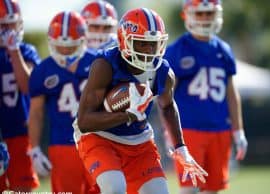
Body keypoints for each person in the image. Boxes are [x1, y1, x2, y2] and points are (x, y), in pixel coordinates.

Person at [73, 8, 208, 194]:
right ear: (124, 41)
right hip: (100, 137)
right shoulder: (105, 65)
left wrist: (180, 147)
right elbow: (85, 121)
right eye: (142, 44)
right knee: (115, 188)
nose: (150, 50)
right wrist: (126, 115)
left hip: (139, 140)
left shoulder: (164, 72)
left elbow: (167, 106)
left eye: (154, 44)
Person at [164, 1, 248, 194]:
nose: (204, 18)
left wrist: (238, 130)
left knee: (212, 189)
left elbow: (231, 94)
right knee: (189, 188)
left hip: (220, 128)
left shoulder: (224, 50)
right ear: (187, 14)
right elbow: (165, 97)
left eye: (209, 13)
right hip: (188, 130)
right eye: (200, 13)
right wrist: (169, 131)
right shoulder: (177, 50)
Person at [27, 11, 97, 194]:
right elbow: (36, 112)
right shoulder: (43, 70)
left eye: (71, 46)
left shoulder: (99, 61)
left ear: (82, 41)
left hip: (98, 141)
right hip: (62, 144)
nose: (65, 50)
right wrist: (34, 149)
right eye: (60, 46)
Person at [0, 0, 40, 191]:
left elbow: (28, 87)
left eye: (11, 23)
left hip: (19, 132)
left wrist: (14, 51)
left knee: (22, 187)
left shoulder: (25, 51)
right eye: (2, 25)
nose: (7, 30)